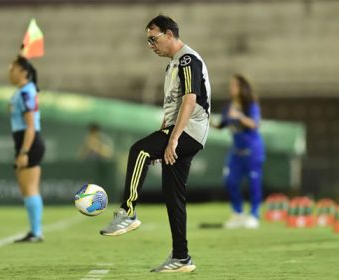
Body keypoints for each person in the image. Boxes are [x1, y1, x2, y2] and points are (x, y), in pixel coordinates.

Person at [100, 15, 211, 273]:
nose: (151, 45)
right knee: (174, 197)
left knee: (138, 150)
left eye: (154, 39)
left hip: (189, 131)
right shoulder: (172, 65)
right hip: (181, 130)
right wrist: (165, 130)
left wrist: (172, 139)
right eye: (148, 41)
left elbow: (190, 100)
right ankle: (181, 258)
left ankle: (127, 212)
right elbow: (174, 103)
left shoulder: (187, 59)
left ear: (169, 34)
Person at [213, 74, 265, 229]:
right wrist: (204, 120)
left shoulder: (250, 105)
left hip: (253, 150)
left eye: (235, 85)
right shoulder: (229, 106)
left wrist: (240, 116)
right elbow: (221, 125)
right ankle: (238, 214)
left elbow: (255, 124)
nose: (232, 88)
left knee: (254, 183)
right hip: (236, 151)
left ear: (242, 87)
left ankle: (254, 215)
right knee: (230, 181)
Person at [8, 55, 45, 242]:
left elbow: (30, 125)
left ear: (23, 72)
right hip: (24, 142)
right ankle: (35, 231)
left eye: (12, 68)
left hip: (29, 142)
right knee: (26, 188)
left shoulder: (25, 93)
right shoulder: (22, 91)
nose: (9, 72)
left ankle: (36, 232)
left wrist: (24, 151)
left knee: (30, 188)